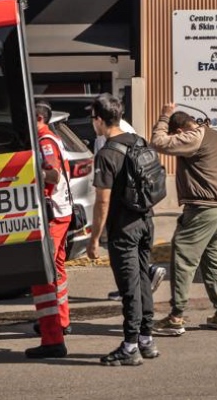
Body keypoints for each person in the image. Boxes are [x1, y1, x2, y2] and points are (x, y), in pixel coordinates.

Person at [150, 103, 217, 336]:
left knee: (183, 257)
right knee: (214, 261)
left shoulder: (193, 136)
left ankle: (176, 318)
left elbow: (157, 142)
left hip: (201, 209)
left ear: (179, 131)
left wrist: (164, 115)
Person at [86, 94, 159, 365]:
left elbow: (102, 201)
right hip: (145, 222)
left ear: (99, 120)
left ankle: (130, 348)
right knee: (142, 282)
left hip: (123, 229)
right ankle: (146, 340)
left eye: (93, 117)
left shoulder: (106, 154)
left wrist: (94, 239)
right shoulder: (139, 141)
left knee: (129, 288)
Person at [26, 103, 73, 359]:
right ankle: (62, 321)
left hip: (52, 216)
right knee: (58, 270)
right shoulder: (54, 138)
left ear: (39, 118)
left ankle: (52, 338)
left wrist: (27, 170)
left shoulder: (45, 141)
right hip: (62, 212)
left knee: (43, 275)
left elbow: (53, 175)